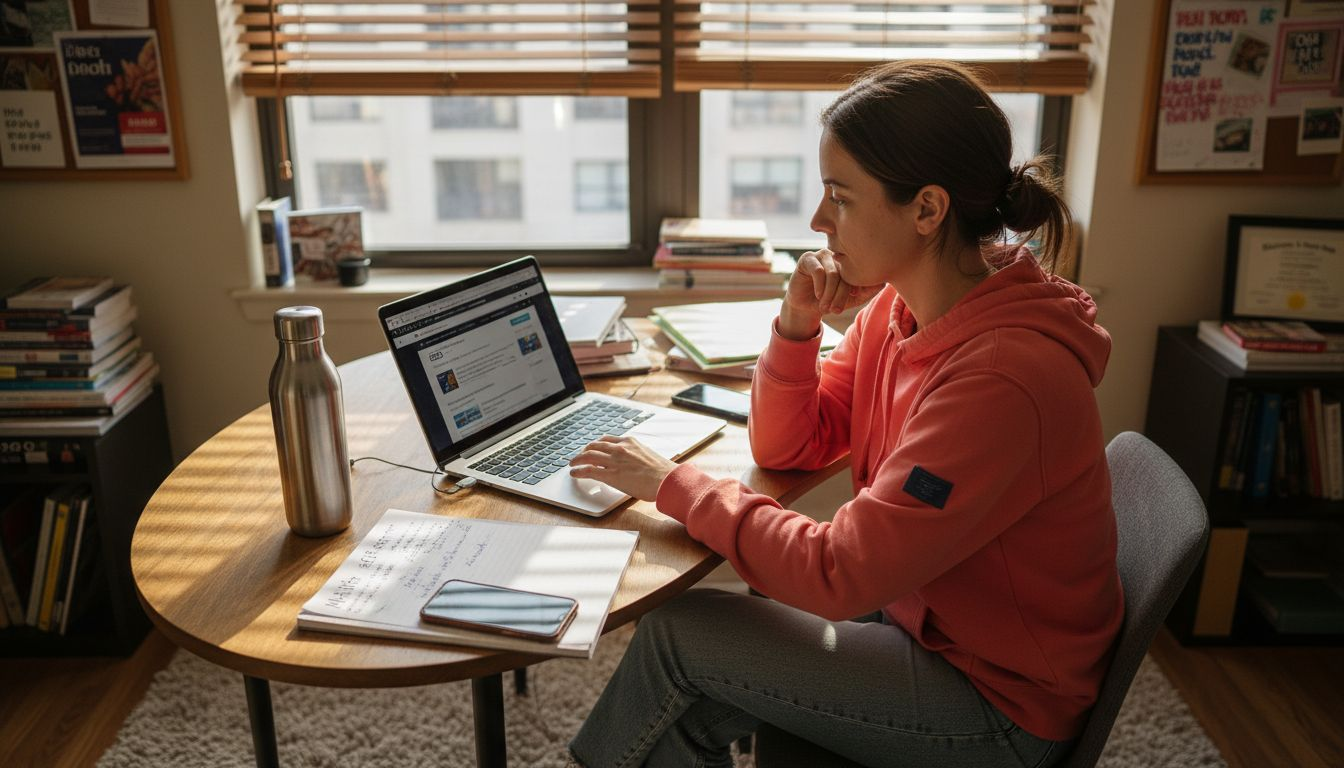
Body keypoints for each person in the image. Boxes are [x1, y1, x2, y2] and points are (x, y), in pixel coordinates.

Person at [566, 59, 1122, 768]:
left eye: (840, 198)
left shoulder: (1004, 379)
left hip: (999, 706)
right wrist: (797, 324)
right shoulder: (902, 304)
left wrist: (672, 484)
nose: (817, 220)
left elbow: (838, 574)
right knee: (688, 675)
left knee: (679, 637)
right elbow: (789, 445)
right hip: (922, 621)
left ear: (927, 209)